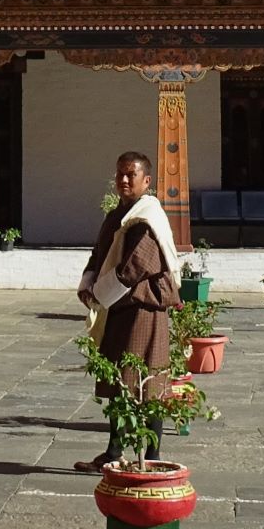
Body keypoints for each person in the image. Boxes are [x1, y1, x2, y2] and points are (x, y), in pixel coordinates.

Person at [75, 150, 179, 473]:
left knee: (148, 381)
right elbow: (100, 252)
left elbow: (135, 267)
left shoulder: (149, 217)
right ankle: (113, 452)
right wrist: (87, 283)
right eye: (119, 173)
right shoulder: (116, 215)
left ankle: (155, 453)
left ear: (146, 181)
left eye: (130, 175)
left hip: (144, 309)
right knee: (119, 379)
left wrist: (100, 293)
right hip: (119, 307)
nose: (123, 180)